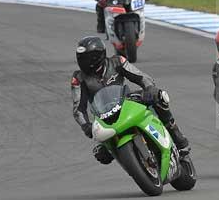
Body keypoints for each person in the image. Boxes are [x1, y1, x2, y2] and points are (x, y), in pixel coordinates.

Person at [71, 36, 190, 164]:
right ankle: (131, 161)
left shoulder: (117, 61)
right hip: (103, 116)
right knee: (102, 155)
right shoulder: (78, 78)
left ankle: (177, 137)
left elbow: (141, 77)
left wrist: (149, 88)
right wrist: (86, 126)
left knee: (158, 97)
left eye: (87, 58)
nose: (84, 61)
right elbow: (78, 108)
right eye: (81, 58)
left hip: (126, 100)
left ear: (98, 55)